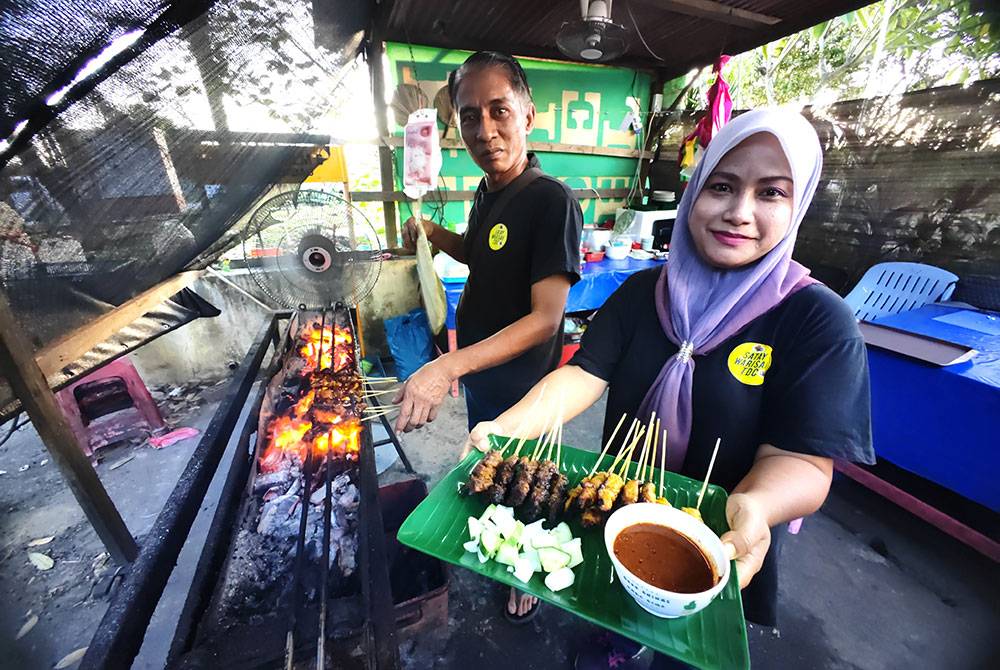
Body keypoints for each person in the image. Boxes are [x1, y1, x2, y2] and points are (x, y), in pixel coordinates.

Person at [466, 108, 875, 665]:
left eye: (771, 193)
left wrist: (755, 505)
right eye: (722, 186)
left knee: (684, 652)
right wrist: (504, 428)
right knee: (620, 607)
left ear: (798, 203)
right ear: (693, 192)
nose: (739, 212)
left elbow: (803, 461)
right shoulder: (642, 293)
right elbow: (582, 375)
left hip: (718, 537)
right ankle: (620, 640)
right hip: (615, 516)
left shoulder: (817, 320)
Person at [395, 51, 583, 620]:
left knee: (527, 476)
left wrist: (447, 366)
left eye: (499, 110)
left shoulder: (551, 200)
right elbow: (481, 255)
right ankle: (498, 537)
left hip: (526, 383)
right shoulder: (487, 192)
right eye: (470, 117)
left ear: (528, 114)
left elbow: (546, 317)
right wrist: (432, 232)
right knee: (487, 459)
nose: (485, 129)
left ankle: (525, 567)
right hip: (481, 369)